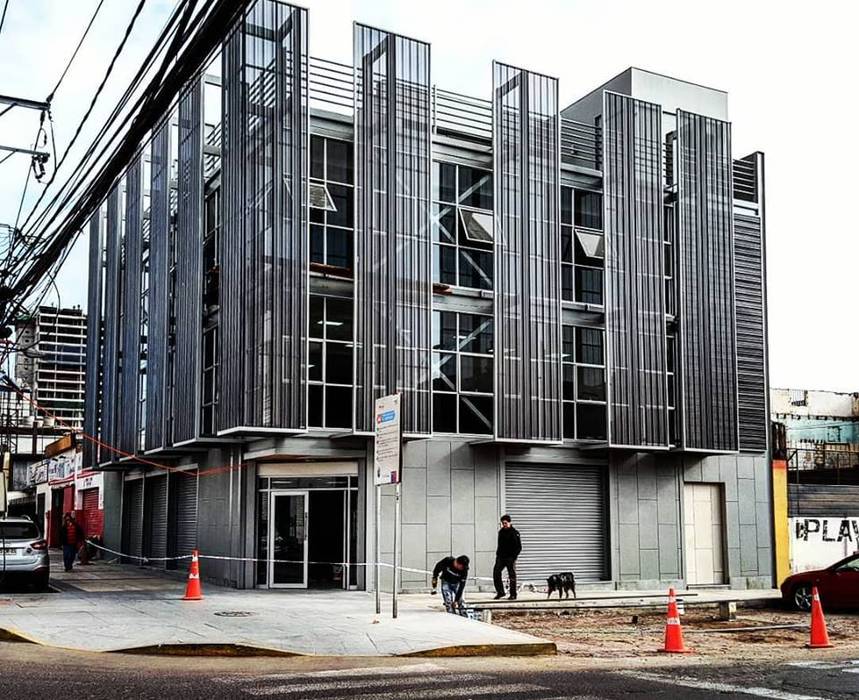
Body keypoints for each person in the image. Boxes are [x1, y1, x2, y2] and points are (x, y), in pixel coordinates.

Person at [493, 514, 522, 600]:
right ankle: (500, 592)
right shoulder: (501, 532)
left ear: (510, 522)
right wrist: (498, 554)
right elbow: (500, 545)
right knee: (496, 573)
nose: (504, 525)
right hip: (501, 557)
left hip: (510, 558)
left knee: (512, 576)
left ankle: (513, 594)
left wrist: (513, 557)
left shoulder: (515, 533)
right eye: (503, 523)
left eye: (505, 523)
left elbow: (519, 547)